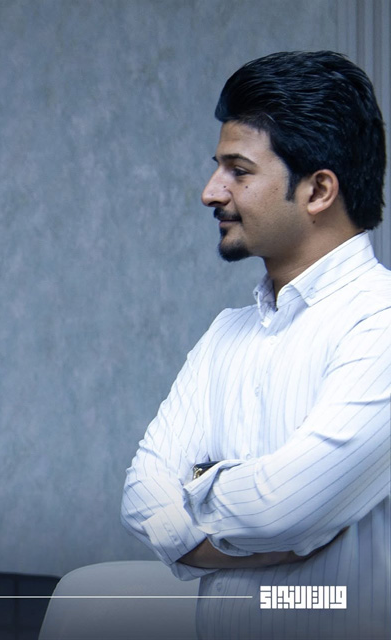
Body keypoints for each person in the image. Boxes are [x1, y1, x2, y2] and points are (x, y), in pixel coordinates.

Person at [121, 51, 390, 640]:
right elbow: (141, 492)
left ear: (318, 190)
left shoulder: (383, 324)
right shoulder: (226, 333)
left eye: (238, 171)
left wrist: (196, 485)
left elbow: (285, 507)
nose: (209, 192)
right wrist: (251, 512)